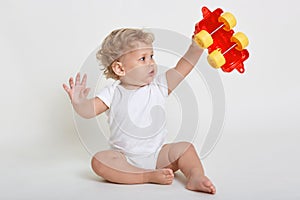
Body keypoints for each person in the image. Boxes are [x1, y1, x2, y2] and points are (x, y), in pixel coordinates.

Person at [63, 28, 216, 194]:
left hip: (158, 155)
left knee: (186, 148)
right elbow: (88, 111)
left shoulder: (159, 86)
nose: (151, 62)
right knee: (100, 161)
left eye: (151, 56)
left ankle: (196, 176)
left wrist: (197, 48)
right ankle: (145, 176)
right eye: (142, 58)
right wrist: (79, 102)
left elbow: (182, 68)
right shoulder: (113, 92)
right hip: (123, 159)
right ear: (120, 69)